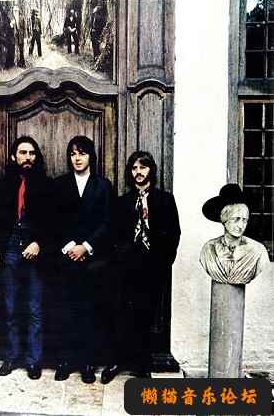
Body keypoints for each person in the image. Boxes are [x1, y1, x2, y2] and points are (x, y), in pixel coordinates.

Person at [101, 151, 181, 384]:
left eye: (143, 167)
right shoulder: (122, 202)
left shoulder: (165, 200)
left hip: (152, 268)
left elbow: (174, 234)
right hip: (125, 269)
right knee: (120, 315)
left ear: (150, 171)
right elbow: (112, 235)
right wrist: (119, 260)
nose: (138, 172)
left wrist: (163, 264)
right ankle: (116, 362)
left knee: (146, 316)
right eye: (134, 168)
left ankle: (142, 365)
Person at [53, 136, 112, 384]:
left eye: (82, 153)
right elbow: (53, 221)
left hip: (92, 261)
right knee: (65, 311)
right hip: (66, 258)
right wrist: (70, 247)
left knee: (89, 311)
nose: (77, 158)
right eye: (73, 154)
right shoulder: (59, 185)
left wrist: (86, 247)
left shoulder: (103, 185)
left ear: (91, 157)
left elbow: (108, 222)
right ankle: (65, 362)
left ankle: (87, 363)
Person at [0, 136, 52, 380]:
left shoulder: (46, 185)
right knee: (10, 308)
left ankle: (34, 361)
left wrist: (39, 243)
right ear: (13, 156)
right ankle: (11, 357)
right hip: (10, 249)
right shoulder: (4, 185)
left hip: (35, 249)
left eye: (31, 153)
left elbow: (54, 222)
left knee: (34, 309)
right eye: (22, 152)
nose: (27, 157)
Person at [200, 183, 270, 284]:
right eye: (236, 219)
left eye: (244, 220)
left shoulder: (258, 251)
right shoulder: (209, 249)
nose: (241, 225)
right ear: (224, 220)